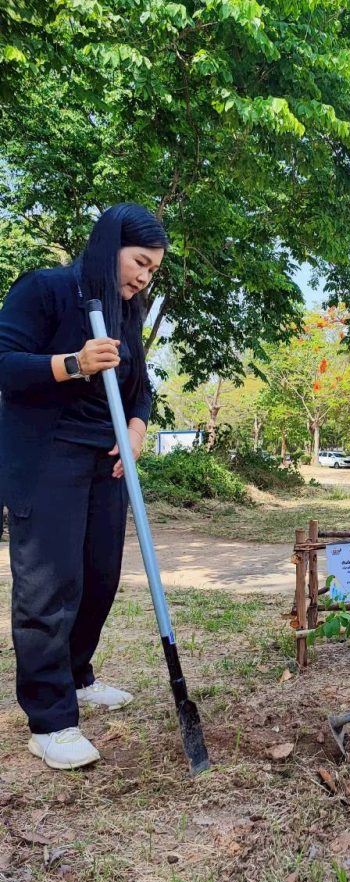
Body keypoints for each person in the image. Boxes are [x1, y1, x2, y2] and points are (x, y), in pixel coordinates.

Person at [0, 204, 168, 770]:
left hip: (106, 459)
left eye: (152, 271)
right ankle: (50, 721)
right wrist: (71, 364)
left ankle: (76, 675)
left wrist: (137, 431)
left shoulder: (126, 311)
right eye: (139, 262)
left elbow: (141, 387)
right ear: (108, 246)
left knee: (99, 576)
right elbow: (4, 363)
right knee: (50, 585)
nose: (144, 278)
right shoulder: (45, 290)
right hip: (48, 455)